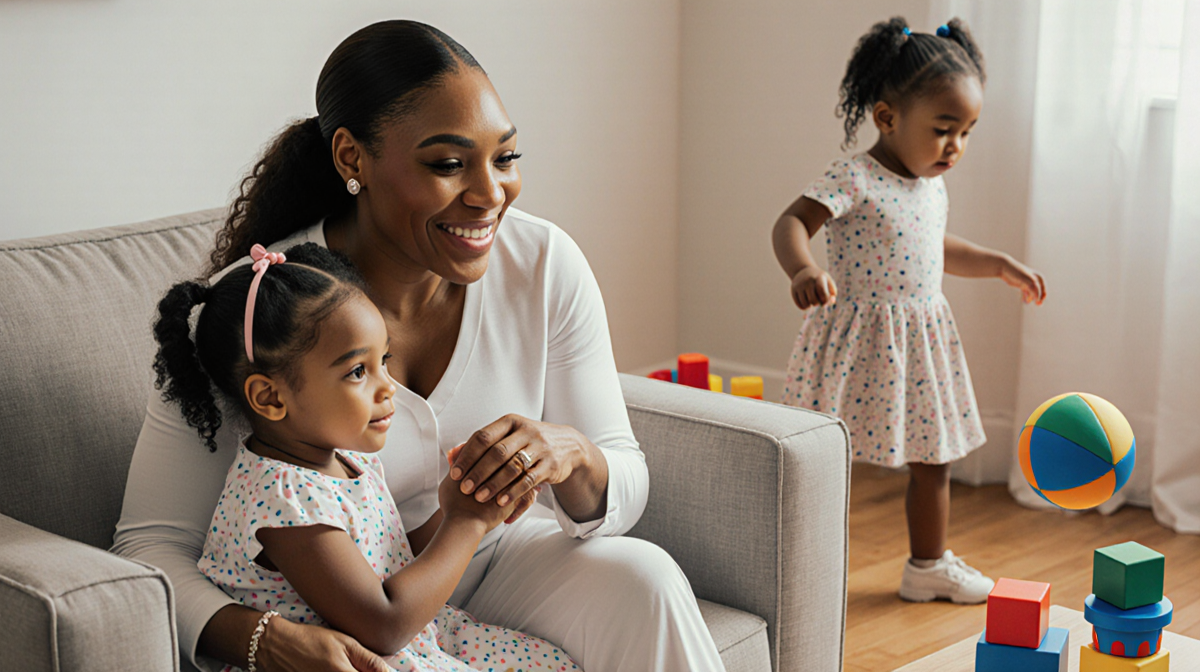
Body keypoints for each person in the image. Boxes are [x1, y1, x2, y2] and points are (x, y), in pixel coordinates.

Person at [114, 19, 724, 672]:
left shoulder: (545, 263)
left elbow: (621, 482)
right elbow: (149, 546)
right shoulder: (261, 310)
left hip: (496, 564)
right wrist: (262, 639)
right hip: (347, 608)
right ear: (353, 159)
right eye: (447, 164)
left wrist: (571, 454)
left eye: (507, 157)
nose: (491, 194)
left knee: (645, 579)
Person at [151, 242, 579, 671]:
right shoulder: (284, 498)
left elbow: (385, 567)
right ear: (269, 397)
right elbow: (384, 622)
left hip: (408, 643)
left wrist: (459, 507)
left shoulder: (342, 461)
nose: (388, 386)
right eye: (358, 371)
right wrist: (468, 525)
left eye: (384, 360)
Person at [771, 17, 1047, 605]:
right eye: (945, 129)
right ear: (887, 117)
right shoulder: (855, 177)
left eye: (968, 132)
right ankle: (797, 563)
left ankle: (927, 565)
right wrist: (803, 269)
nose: (956, 147)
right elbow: (793, 221)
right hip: (855, 336)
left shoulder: (930, 185)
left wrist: (997, 263)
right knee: (822, 458)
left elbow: (930, 246)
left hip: (920, 338)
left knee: (935, 458)